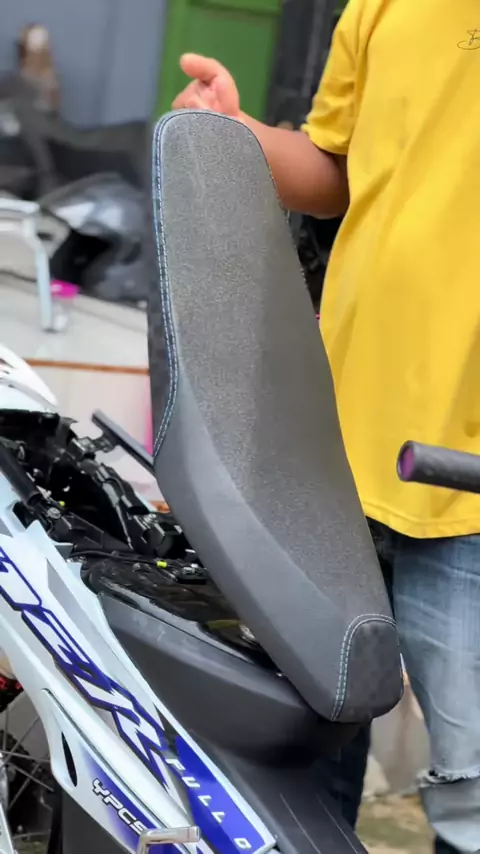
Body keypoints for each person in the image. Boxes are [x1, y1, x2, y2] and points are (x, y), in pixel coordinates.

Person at [172, 1, 480, 852]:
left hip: (470, 485)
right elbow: (335, 168)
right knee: (299, 766)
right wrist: (236, 132)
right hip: (336, 451)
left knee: (474, 803)